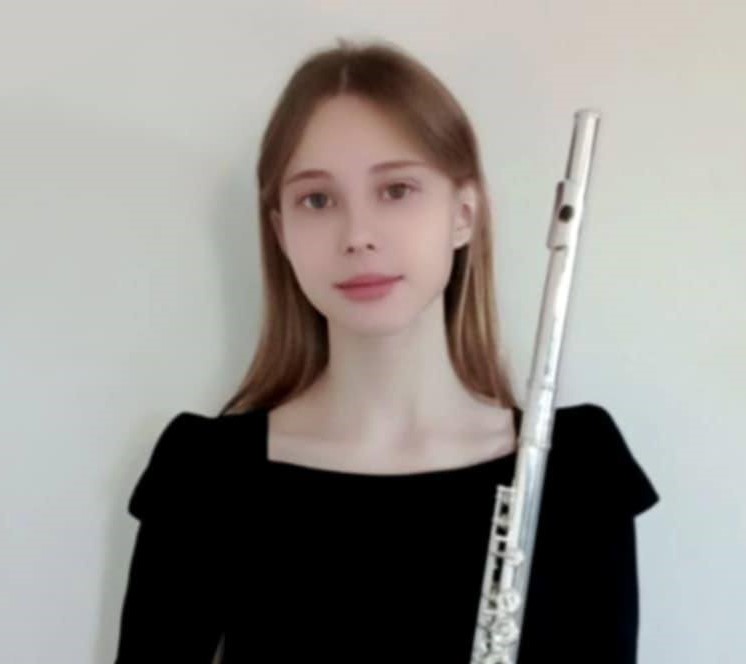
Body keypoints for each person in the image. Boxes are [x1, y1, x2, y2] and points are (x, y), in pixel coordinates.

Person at [114, 37, 659, 663]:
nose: (358, 236)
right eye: (318, 200)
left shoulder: (580, 471)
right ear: (281, 233)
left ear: (464, 213)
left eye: (396, 189)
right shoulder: (203, 478)